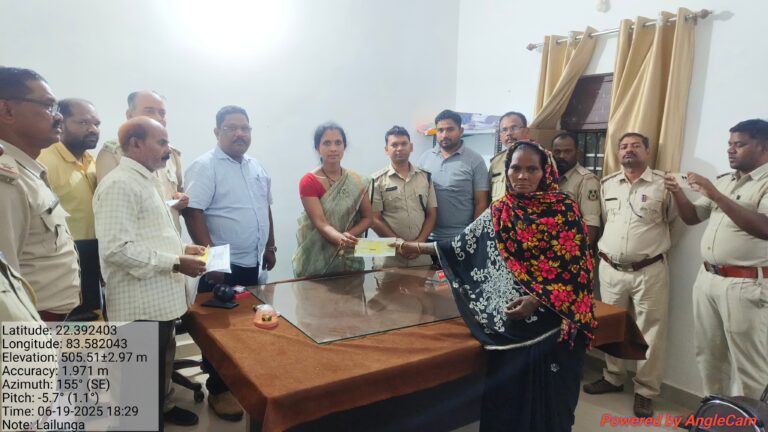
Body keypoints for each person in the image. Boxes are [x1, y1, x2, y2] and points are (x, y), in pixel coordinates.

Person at [399, 141, 596, 432]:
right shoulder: (501, 210)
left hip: (552, 323)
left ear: (545, 172)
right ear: (507, 171)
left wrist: (536, 300)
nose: (522, 176)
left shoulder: (563, 210)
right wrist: (414, 246)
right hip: (510, 323)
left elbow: (577, 270)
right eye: (516, 168)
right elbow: (461, 245)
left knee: (550, 406)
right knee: (508, 402)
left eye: (532, 169)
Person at [93, 117, 206, 429]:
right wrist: (176, 262)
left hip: (158, 305)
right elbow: (116, 249)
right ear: (135, 144)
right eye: (162, 142)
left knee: (151, 391)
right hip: (139, 310)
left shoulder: (147, 181)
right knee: (138, 395)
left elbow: (151, 236)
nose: (169, 149)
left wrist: (184, 249)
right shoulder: (119, 184)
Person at [664, 119, 768, 400]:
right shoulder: (725, 180)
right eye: (729, 144)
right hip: (708, 279)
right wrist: (677, 192)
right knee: (709, 355)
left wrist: (716, 195)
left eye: (739, 144)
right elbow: (692, 217)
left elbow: (765, 228)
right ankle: (714, 414)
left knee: (749, 366)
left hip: (746, 285)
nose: (731, 150)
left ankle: (747, 420)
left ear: (763, 147)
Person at [184, 105, 275, 421]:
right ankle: (219, 390)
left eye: (245, 128)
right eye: (231, 128)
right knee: (222, 333)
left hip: (252, 263)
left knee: (247, 328)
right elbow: (193, 212)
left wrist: (270, 246)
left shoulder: (256, 166)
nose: (239, 134)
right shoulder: (204, 166)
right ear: (217, 132)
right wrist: (212, 261)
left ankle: (241, 382)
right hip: (222, 267)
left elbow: (265, 208)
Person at [583, 132, 677, 418]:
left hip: (649, 270)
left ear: (647, 151)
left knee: (651, 331)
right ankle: (613, 377)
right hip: (610, 268)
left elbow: (673, 221)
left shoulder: (663, 184)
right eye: (623, 146)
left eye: (636, 145)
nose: (629, 150)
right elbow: (604, 220)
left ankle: (645, 391)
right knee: (611, 325)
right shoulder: (608, 184)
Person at [0, 67, 81, 321]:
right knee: (138, 343)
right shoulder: (6, 180)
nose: (59, 117)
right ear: (7, 111)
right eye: (48, 106)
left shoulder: (28, 171)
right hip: (28, 328)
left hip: (48, 324)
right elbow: (5, 287)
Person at [38, 98, 102, 320]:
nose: (93, 129)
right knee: (67, 326)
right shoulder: (45, 160)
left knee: (92, 321)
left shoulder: (92, 161)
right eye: (83, 122)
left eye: (96, 124)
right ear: (61, 123)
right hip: (61, 258)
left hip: (93, 253)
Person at [95, 90, 188, 232]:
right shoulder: (114, 153)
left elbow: (176, 194)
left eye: (162, 113)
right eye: (149, 111)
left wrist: (180, 199)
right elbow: (111, 207)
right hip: (139, 242)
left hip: (171, 239)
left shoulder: (171, 154)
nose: (158, 118)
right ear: (129, 115)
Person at [292, 122, 373, 277]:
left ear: (344, 146)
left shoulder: (357, 180)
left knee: (352, 292)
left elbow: (368, 218)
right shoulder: (309, 181)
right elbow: (321, 223)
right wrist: (341, 239)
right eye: (327, 143)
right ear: (317, 148)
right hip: (315, 260)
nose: (333, 148)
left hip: (350, 258)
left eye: (338, 142)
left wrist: (348, 236)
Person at [416, 109, 489, 241]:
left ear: (460, 131)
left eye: (450, 129)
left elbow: (481, 202)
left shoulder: (475, 160)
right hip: (428, 236)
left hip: (461, 237)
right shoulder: (425, 158)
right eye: (440, 130)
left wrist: (473, 236)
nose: (444, 135)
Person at [371, 125, 436, 268]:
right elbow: (375, 219)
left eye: (404, 144)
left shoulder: (425, 177)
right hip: (389, 256)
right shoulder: (376, 181)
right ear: (386, 149)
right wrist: (400, 244)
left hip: (420, 255)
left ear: (411, 147)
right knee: (387, 284)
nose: (399, 148)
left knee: (423, 284)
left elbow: (431, 214)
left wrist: (418, 244)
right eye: (394, 145)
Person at [552, 132, 601, 248]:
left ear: (578, 153)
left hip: (571, 248)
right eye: (557, 152)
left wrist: (580, 252)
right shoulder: (548, 178)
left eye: (567, 151)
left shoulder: (587, 180)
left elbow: (591, 223)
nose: (561, 156)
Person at [488, 111, 529, 202]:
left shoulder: (541, 157)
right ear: (500, 135)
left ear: (526, 131)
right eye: (504, 130)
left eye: (514, 128)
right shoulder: (496, 162)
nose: (509, 133)